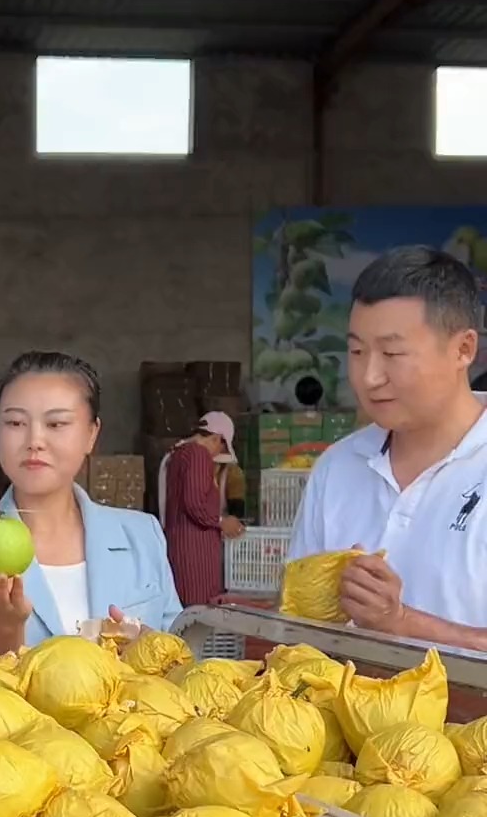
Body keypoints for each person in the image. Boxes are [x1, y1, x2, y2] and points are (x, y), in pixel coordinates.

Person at [288, 246, 487, 649]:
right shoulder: (337, 467)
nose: (370, 376)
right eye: (357, 352)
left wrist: (402, 623)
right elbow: (297, 626)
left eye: (392, 354)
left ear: (463, 350)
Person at [0, 350, 181, 660]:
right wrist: (6, 621)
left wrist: (148, 647)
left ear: (91, 434)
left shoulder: (142, 535)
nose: (34, 440)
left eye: (56, 424)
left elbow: (180, 658)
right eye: (14, 422)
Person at [160, 412, 243, 607]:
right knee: (200, 609)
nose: (217, 454)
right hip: (195, 549)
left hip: (180, 543)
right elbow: (195, 503)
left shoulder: (178, 454)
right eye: (221, 446)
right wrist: (222, 522)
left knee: (185, 609)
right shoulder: (198, 454)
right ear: (216, 438)